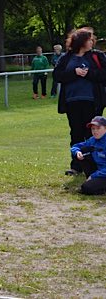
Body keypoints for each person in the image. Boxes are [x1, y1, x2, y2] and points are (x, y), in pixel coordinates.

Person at [54, 28, 106, 176]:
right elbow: (57, 75)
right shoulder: (66, 58)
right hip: (72, 102)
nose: (91, 42)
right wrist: (74, 73)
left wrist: (89, 74)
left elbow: (104, 75)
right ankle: (76, 166)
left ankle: (94, 167)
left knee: (93, 135)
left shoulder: (97, 56)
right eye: (89, 39)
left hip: (92, 102)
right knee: (76, 134)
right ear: (81, 41)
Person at [70, 116, 106, 195]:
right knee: (83, 151)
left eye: (98, 128)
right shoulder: (93, 140)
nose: (95, 131)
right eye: (93, 129)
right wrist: (77, 152)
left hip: (103, 173)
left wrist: (93, 176)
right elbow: (75, 146)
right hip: (99, 172)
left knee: (86, 188)